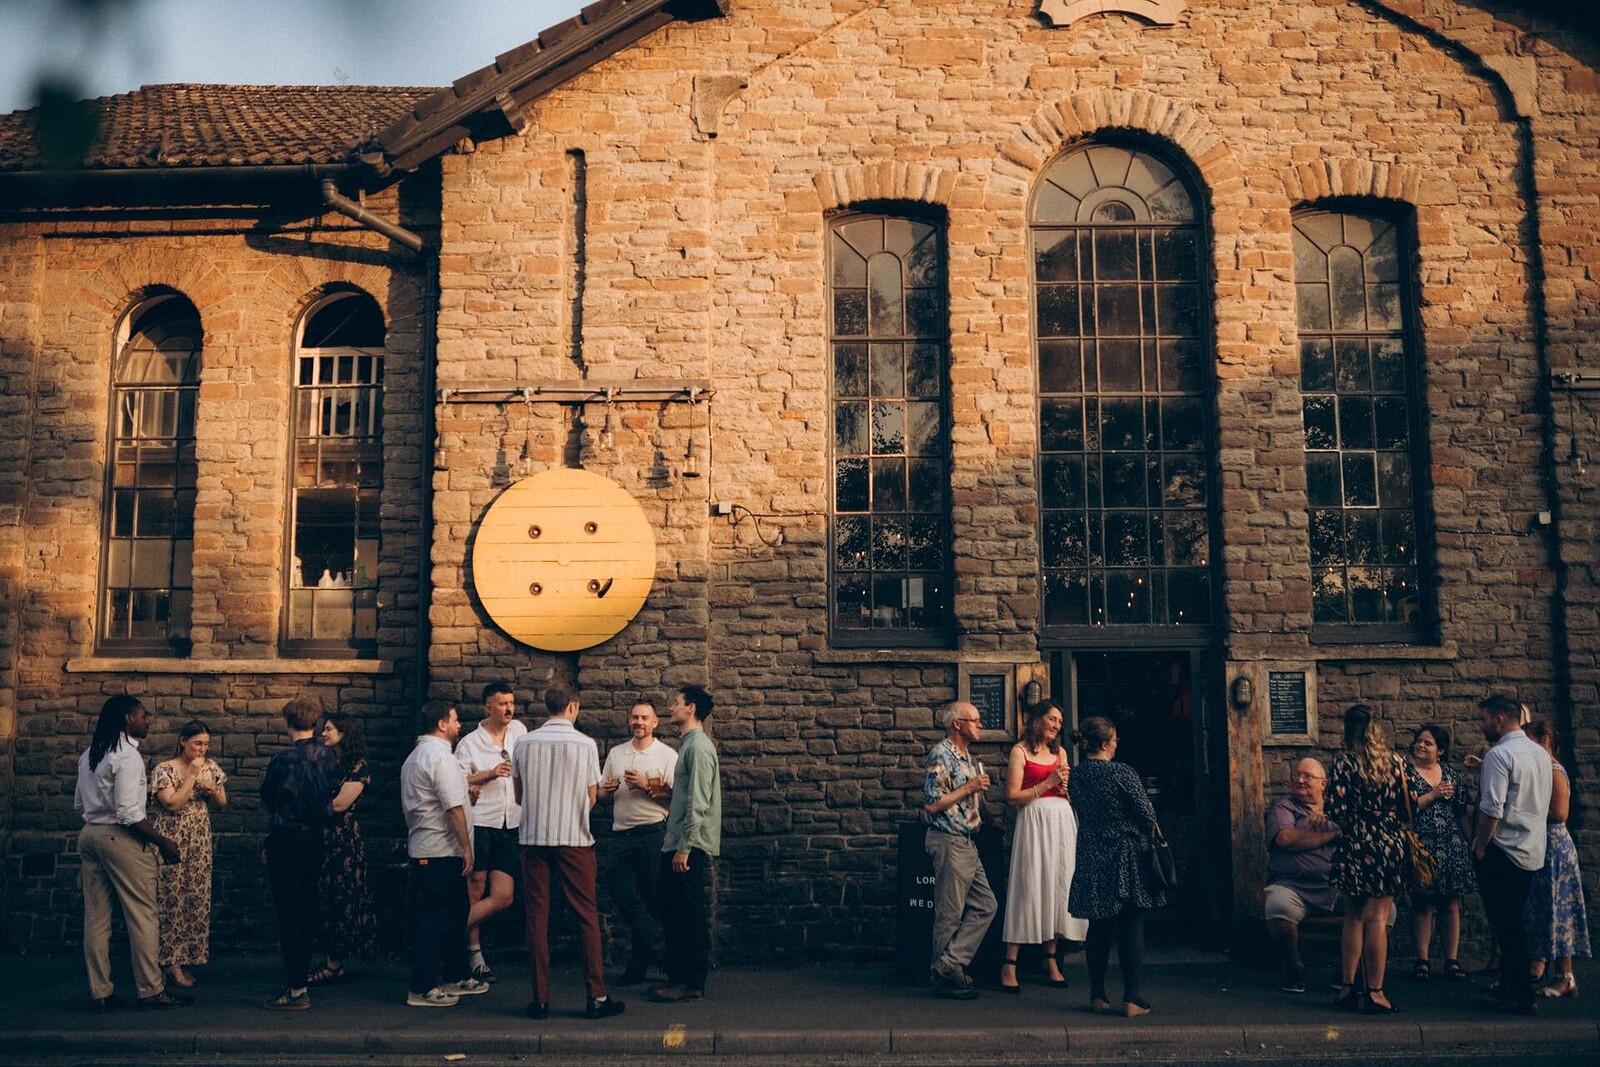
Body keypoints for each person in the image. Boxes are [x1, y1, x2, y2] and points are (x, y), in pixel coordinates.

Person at [511, 681, 623, 1020]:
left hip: (532, 838)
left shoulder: (524, 743)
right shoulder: (585, 744)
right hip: (574, 838)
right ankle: (596, 996)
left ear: (547, 706)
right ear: (572, 706)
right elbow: (591, 797)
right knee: (585, 916)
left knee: (536, 918)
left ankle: (540, 999)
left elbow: (518, 796)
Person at [74, 695, 190, 1011]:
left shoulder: (89, 755)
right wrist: (163, 842)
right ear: (128, 718)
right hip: (119, 838)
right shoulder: (126, 757)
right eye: (142, 715)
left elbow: (80, 805)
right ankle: (151, 990)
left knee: (96, 918)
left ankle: (100, 991)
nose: (147, 720)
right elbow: (128, 813)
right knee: (142, 914)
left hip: (90, 836)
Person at [1068, 715, 1163, 1018]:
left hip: (1091, 851)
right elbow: (1146, 815)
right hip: (1125, 853)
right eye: (1116, 739)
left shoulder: (1078, 775)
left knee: (1099, 923)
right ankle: (1132, 997)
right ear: (1108, 743)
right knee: (1132, 922)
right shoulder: (1121, 772)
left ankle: (1097, 995)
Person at [400, 702, 489, 1008]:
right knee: (435, 919)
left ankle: (455, 975)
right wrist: (467, 848)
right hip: (440, 852)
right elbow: (451, 807)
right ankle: (422, 987)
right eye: (454, 720)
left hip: (431, 849)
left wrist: (467, 799)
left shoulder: (416, 757)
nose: (458, 725)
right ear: (441, 723)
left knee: (453, 915)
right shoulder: (440, 758)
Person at [260, 696, 342, 1012]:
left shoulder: (283, 760)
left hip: (287, 839)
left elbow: (269, 798)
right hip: (316, 840)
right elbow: (331, 796)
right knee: (308, 909)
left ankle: (296, 988)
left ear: (288, 724)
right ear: (314, 723)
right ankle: (300, 981)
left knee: (289, 912)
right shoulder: (329, 758)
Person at [1472, 694, 1552, 1015]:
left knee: (1507, 924)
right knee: (1515, 919)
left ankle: (1520, 993)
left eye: (1484, 719)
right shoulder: (1540, 754)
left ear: (1499, 719)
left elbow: (1492, 807)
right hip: (1532, 849)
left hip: (1503, 850)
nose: (1483, 725)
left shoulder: (1499, 755)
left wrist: (1480, 845)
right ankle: (1510, 985)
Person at [1326, 704, 1408, 1014]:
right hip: (1388, 840)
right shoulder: (1397, 762)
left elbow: (1336, 809)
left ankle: (1348, 987)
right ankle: (1376, 991)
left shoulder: (1344, 763)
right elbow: (1409, 802)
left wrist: (1357, 822)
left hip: (1357, 841)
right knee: (1378, 918)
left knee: (1353, 917)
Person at [998, 701, 1085, 993]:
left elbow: (1065, 792)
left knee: (1058, 886)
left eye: (1060, 721)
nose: (1057, 724)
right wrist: (1047, 781)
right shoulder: (1019, 751)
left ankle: (1051, 959)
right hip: (1034, 821)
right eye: (1052, 718)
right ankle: (1009, 964)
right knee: (1029, 885)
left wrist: (1065, 788)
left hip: (1060, 820)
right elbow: (1012, 796)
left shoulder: (1059, 752)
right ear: (1037, 720)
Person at [651, 684, 722, 1004]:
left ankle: (691, 981)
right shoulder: (689, 746)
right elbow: (687, 796)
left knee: (688, 914)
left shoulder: (698, 748)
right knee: (673, 910)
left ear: (691, 708)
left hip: (686, 845)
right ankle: (678, 975)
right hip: (677, 842)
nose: (671, 708)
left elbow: (699, 802)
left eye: (676, 703)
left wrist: (684, 847)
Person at [599, 699, 678, 986]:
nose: (639, 722)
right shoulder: (617, 753)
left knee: (652, 899)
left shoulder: (667, 755)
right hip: (621, 835)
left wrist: (645, 786)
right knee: (621, 893)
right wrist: (606, 790)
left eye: (645, 718)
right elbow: (601, 792)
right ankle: (660, 949)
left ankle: (638, 965)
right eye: (635, 717)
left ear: (655, 723)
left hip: (652, 834)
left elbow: (675, 796)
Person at [921, 700, 996, 1001]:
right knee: (949, 914)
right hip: (948, 840)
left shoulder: (968, 757)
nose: (980, 725)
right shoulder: (942, 754)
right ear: (957, 724)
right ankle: (944, 978)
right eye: (975, 720)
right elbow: (931, 804)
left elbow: (972, 800)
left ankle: (949, 964)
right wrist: (969, 787)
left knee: (986, 905)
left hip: (967, 842)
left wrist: (991, 818)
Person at [455, 681, 526, 983]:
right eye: (501, 703)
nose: (508, 708)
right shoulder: (470, 743)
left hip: (512, 822)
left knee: (504, 896)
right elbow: (457, 783)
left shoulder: (520, 732)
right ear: (488, 708)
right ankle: (475, 956)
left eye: (511, 702)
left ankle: (446, 930)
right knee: (476, 888)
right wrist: (489, 773)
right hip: (482, 821)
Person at [149, 719, 227, 989]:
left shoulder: (211, 766)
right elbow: (171, 804)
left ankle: (188, 957)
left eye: (206, 744)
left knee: (195, 895)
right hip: (172, 838)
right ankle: (171, 964)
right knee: (171, 898)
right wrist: (193, 777)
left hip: (199, 840)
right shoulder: (164, 769)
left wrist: (212, 788)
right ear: (183, 741)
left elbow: (222, 803)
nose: (202, 749)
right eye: (197, 743)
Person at [1404, 723, 1476, 982]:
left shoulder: (1450, 775)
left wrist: (1473, 844)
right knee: (1423, 904)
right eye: (1419, 741)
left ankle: (1451, 960)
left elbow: (1462, 812)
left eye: (1428, 743)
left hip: (1451, 846)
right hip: (1421, 848)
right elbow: (1404, 809)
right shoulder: (1406, 774)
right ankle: (1422, 960)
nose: (1420, 745)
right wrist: (1433, 794)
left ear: (1441, 750)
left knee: (1451, 904)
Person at [309, 712, 377, 984]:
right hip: (322, 838)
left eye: (329, 729)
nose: (323, 733)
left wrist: (307, 805)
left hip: (343, 840)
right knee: (323, 896)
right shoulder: (325, 762)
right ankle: (331, 959)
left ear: (344, 733)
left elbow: (339, 804)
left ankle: (334, 963)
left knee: (341, 895)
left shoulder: (357, 767)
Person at [1264, 757, 1341, 993]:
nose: (1299, 780)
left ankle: (1348, 970)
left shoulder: (1339, 807)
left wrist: (1316, 831)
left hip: (1339, 886)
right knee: (1277, 904)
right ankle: (1294, 966)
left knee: (1386, 912)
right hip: (1295, 886)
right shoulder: (1284, 807)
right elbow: (1286, 839)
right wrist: (1333, 833)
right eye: (1296, 776)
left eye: (1307, 776)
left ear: (1323, 783)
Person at [1523, 720, 1588, 998]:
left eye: (1529, 740)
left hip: (1556, 848)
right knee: (1543, 910)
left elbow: (1560, 814)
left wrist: (1524, 813)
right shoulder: (1538, 769)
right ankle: (1546, 968)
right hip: (1540, 844)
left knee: (1560, 911)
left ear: (1544, 740)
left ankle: (1566, 977)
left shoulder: (1554, 770)